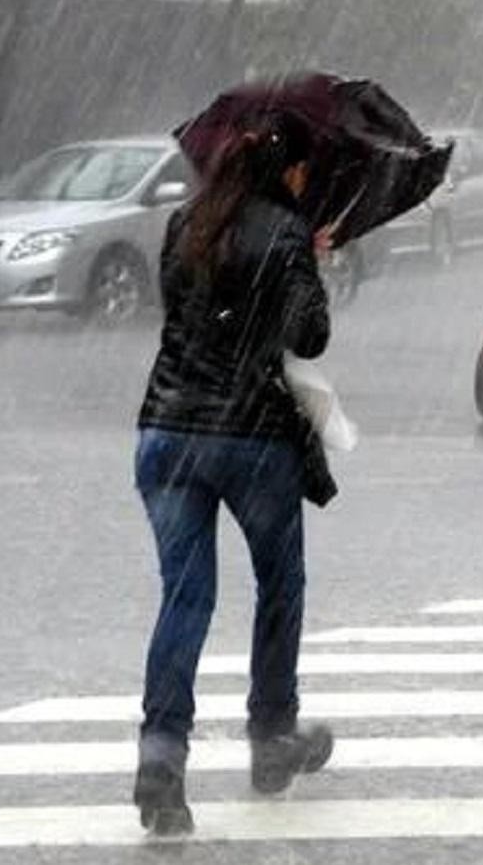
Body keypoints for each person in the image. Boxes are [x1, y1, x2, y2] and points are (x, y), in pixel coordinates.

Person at [131, 107, 336, 835]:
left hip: (165, 432)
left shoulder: (183, 225)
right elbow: (306, 334)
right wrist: (310, 259)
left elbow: (186, 318)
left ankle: (160, 759)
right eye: (304, 168)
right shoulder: (284, 233)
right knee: (279, 585)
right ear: (287, 169)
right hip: (251, 439)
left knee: (183, 601)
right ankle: (271, 737)